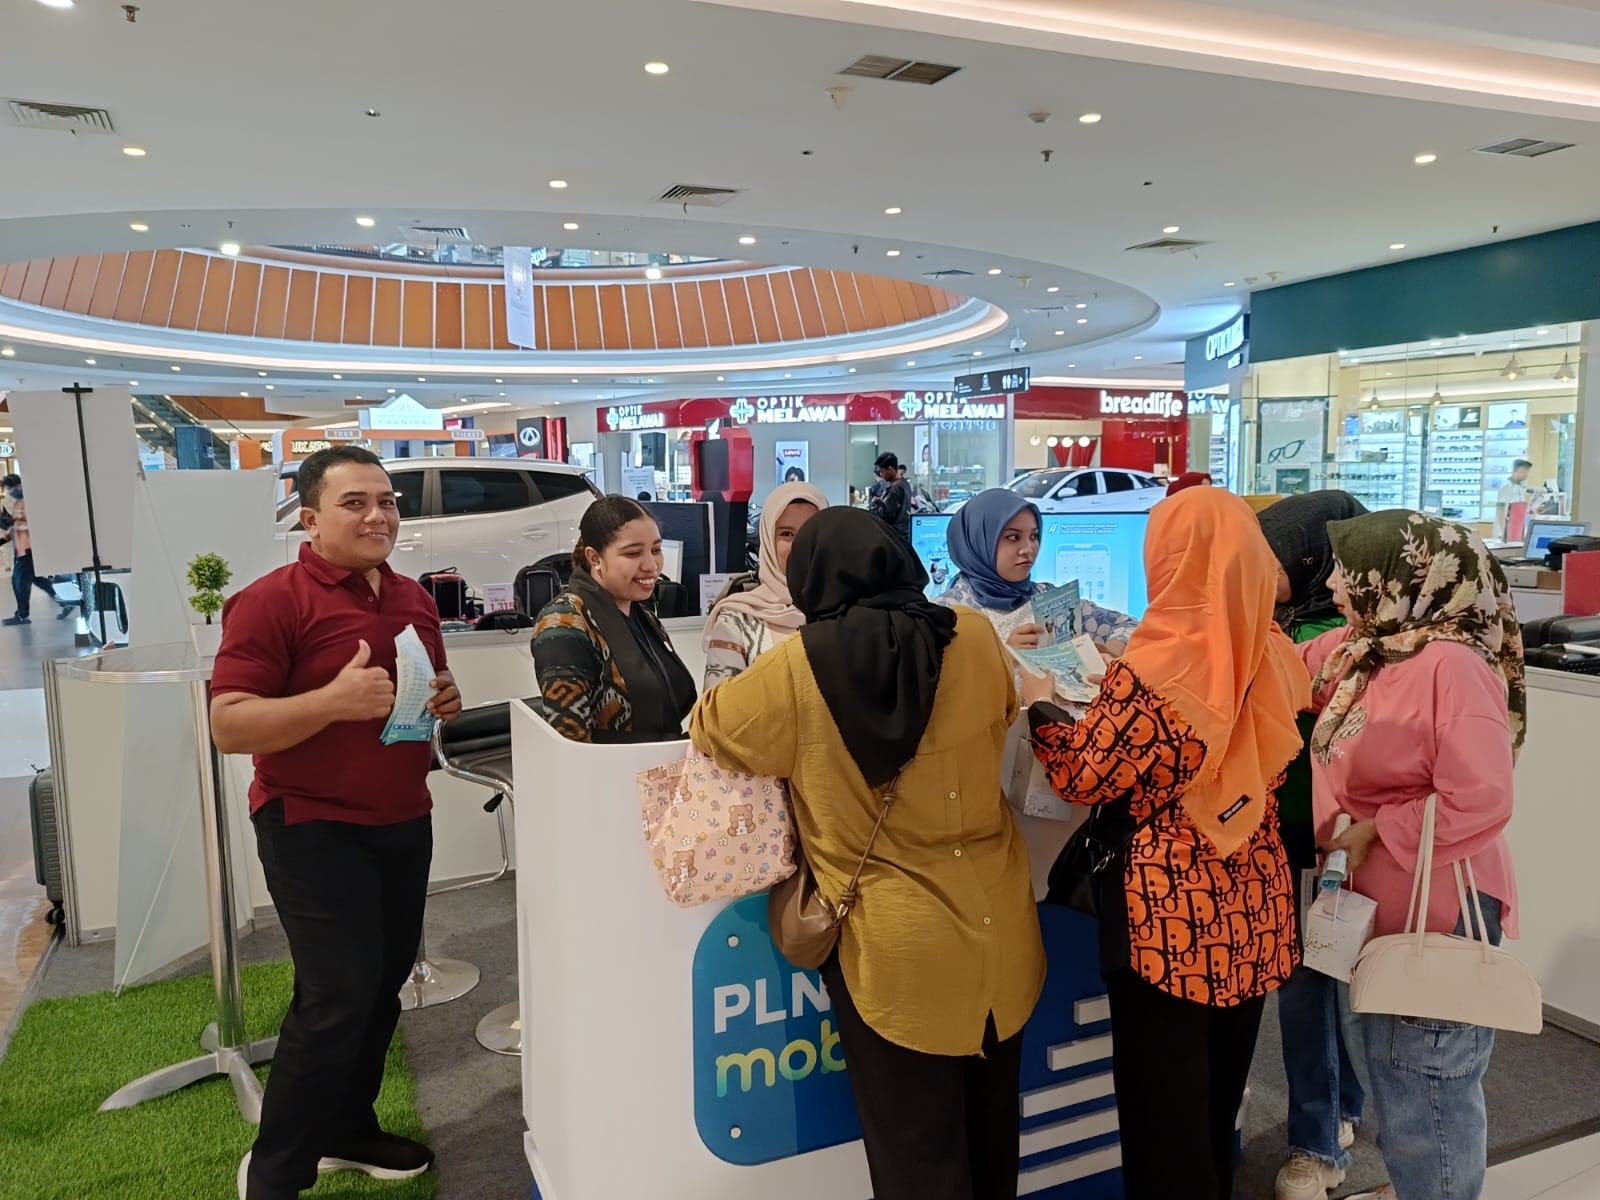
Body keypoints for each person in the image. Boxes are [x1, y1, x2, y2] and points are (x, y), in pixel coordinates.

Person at [690, 507, 1045, 1200]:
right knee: (992, 1141)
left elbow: (712, 725)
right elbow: (1007, 714)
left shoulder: (797, 669)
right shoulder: (973, 635)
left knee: (916, 1158)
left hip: (893, 947)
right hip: (1000, 928)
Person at [1022, 486, 1310, 1200]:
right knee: (1217, 1101)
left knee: (1163, 1118)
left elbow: (1086, 773)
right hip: (1254, 905)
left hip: (1169, 916)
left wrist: (1039, 706)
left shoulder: (1157, 670)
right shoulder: (1275, 650)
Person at [209, 446, 463, 1200]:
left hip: (402, 817)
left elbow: (427, 686)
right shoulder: (270, 601)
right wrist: (328, 703)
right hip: (310, 823)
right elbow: (229, 724)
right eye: (355, 503)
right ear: (311, 519)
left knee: (381, 986)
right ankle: (274, 1173)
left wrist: (443, 697)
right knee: (337, 995)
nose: (378, 515)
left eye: (386, 501)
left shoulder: (413, 597)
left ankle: (347, 1128)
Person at [1300, 510, 1523, 1200]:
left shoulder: (1450, 667)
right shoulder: (1368, 647)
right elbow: (1282, 664)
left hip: (1438, 910)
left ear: (1402, 579)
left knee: (1427, 1098)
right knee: (1398, 1087)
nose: (1333, 585)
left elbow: (1482, 798)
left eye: (1348, 571)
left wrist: (1377, 828)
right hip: (1379, 908)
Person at [1257, 491, 1370, 1200]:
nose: (1259, 572)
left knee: (1317, 990)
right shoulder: (1284, 621)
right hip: (1288, 829)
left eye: (1271, 560)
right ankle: (1336, 1115)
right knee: (1315, 986)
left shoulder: (1352, 636)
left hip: (1334, 838)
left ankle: (1319, 1142)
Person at [531, 495, 696, 743]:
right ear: (594, 558)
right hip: (613, 764)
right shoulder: (564, 622)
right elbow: (570, 740)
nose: (651, 565)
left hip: (665, 757)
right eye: (633, 553)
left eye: (656, 550)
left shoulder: (643, 616)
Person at [937, 487, 1137, 654]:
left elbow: (1129, 625)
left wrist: (1111, 651)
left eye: (1033, 536)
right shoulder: (946, 613)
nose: (1028, 549)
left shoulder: (1050, 599)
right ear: (978, 542)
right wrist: (1005, 657)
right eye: (1013, 538)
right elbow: (941, 680)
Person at [701, 481, 826, 688]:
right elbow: (718, 704)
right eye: (787, 534)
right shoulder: (737, 619)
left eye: (811, 533)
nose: (800, 545)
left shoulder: (847, 610)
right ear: (768, 540)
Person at [0, 474, 75, 626]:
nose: (11, 492)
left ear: (20, 485)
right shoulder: (18, 504)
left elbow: (33, 524)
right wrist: (4, 536)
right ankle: (66, 600)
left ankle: (22, 616)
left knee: (19, 582)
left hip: (28, 550)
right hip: (21, 550)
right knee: (39, 580)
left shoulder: (30, 503)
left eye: (12, 489)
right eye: (9, 490)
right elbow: (15, 528)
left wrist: (12, 523)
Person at [871, 452, 911, 542]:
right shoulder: (905, 484)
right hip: (903, 534)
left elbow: (887, 516)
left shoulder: (895, 488)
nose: (881, 475)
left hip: (894, 536)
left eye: (882, 471)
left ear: (889, 469)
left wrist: (877, 506)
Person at [1495, 458, 1534, 539]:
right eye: (1526, 472)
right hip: (1505, 530)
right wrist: (1505, 531)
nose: (1527, 475)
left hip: (1517, 529)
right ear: (1521, 471)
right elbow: (1500, 510)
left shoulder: (1522, 487)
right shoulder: (1505, 487)